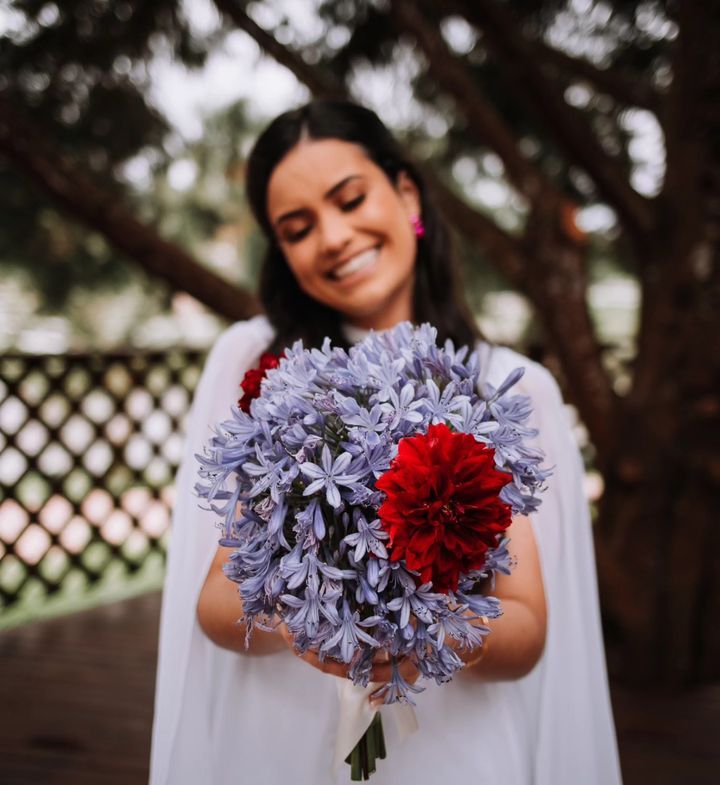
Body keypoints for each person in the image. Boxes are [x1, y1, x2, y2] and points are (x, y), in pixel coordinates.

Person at [149, 99, 623, 785]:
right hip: (281, 742)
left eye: (350, 200)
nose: (334, 237)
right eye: (298, 228)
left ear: (406, 195)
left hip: (455, 750)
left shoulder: (504, 388)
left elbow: (526, 630)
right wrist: (320, 619)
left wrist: (426, 630)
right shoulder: (260, 364)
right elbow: (217, 604)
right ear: (283, 253)